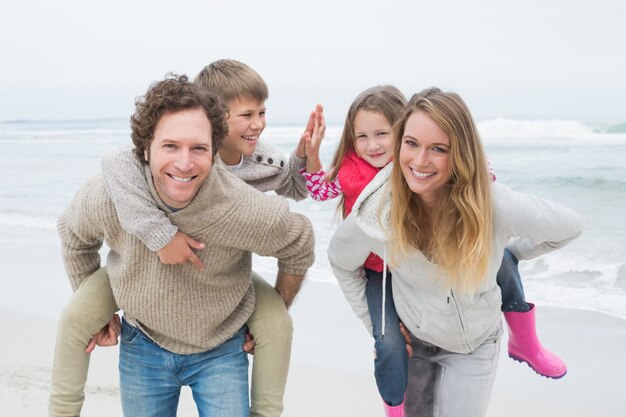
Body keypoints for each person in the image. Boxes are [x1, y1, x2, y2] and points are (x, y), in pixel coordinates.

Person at [49, 60, 319, 417]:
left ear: (213, 146)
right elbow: (73, 231)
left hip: (221, 343)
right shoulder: (112, 194)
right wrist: (96, 306)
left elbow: (299, 241)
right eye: (170, 146)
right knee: (74, 316)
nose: (184, 162)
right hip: (142, 338)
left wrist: (275, 308)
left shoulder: (239, 204)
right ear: (145, 150)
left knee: (276, 326)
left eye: (198, 149)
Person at [327, 88, 583, 417]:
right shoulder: (377, 210)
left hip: (475, 344)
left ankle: (526, 342)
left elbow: (569, 226)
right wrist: (373, 321)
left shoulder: (492, 203)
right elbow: (341, 261)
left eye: (439, 149)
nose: (419, 161)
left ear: (461, 152)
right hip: (415, 344)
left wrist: (512, 254)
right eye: (411, 143)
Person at [300, 85, 410, 416]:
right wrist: (314, 150)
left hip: (421, 267)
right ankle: (394, 407)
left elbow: (458, 170)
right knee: (389, 342)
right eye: (362, 136)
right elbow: (319, 191)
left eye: (382, 134)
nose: (372, 145)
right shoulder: (349, 169)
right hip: (379, 272)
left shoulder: (414, 164)